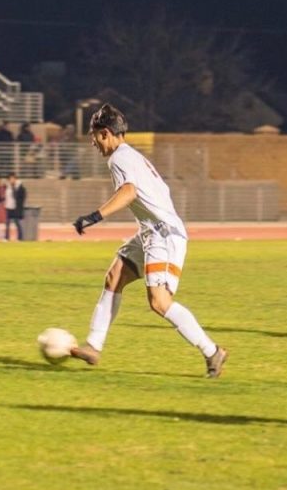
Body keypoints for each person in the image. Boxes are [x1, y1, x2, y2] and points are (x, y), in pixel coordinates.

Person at [69, 103, 227, 378]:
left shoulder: (119, 158)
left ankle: (212, 351)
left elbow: (129, 192)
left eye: (93, 136)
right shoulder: (130, 156)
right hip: (151, 231)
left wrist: (95, 216)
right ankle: (93, 346)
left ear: (104, 133)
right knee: (114, 276)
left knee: (159, 302)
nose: (92, 142)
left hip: (163, 235)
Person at [5, 172, 26, 241]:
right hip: (8, 207)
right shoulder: (7, 187)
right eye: (10, 179)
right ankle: (6, 237)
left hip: (16, 208)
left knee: (17, 223)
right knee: (7, 224)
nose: (12, 180)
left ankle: (20, 237)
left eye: (13, 178)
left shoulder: (20, 187)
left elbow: (21, 197)